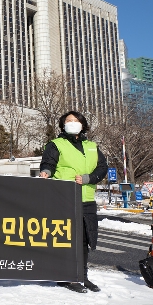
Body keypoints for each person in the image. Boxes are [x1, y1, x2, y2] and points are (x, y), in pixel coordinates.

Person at [39, 111, 107, 293]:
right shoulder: (56, 144)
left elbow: (103, 167)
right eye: (68, 121)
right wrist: (46, 172)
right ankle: (66, 276)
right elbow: (49, 163)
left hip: (87, 199)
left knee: (84, 239)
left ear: (83, 125)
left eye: (75, 120)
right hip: (64, 199)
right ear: (62, 125)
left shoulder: (92, 146)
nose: (72, 123)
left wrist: (89, 178)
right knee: (67, 239)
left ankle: (82, 276)